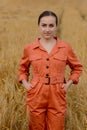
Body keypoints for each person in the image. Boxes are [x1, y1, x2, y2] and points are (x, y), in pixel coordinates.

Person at [18, 10, 83, 130]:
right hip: (36, 93)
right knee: (36, 127)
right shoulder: (29, 48)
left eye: (51, 25)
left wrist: (68, 84)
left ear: (56, 27)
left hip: (57, 94)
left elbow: (77, 67)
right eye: (44, 25)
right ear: (38, 26)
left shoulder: (65, 48)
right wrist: (26, 84)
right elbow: (23, 69)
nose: (47, 29)